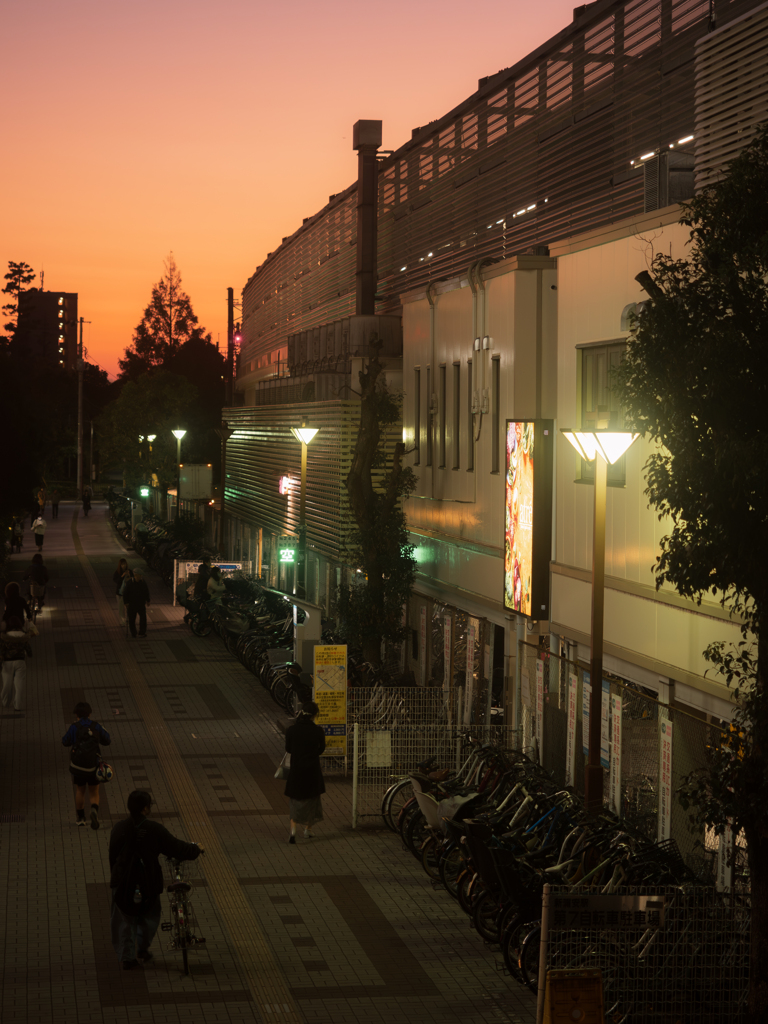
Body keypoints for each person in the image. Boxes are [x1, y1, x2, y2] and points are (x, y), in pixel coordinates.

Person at [109, 790, 204, 970]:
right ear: (145, 808)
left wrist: (117, 877)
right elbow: (177, 849)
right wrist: (196, 849)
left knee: (123, 921)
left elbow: (112, 857)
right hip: (147, 884)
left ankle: (126, 958)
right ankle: (142, 948)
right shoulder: (154, 830)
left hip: (121, 884)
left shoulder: (119, 828)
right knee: (150, 916)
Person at [61, 701, 111, 829]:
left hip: (78, 766)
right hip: (93, 765)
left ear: (76, 715)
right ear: (89, 714)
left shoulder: (74, 727)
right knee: (94, 792)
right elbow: (107, 740)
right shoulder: (96, 726)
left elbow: (65, 742)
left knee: (80, 790)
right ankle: (94, 811)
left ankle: (81, 818)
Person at [284, 700, 326, 843]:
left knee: (295, 800)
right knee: (312, 799)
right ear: (314, 715)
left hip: (296, 769)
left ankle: (293, 829)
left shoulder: (292, 730)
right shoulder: (317, 731)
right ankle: (308, 829)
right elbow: (321, 749)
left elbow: (288, 749)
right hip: (312, 770)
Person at [1, 616, 33, 713]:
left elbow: (2, 651)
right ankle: (18, 706)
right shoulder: (23, 636)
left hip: (7, 663)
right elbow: (29, 652)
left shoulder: (4, 637)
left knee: (7, 684)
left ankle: (5, 702)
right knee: (19, 685)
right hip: (20, 662)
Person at [124, 569, 151, 638]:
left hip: (141, 604)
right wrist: (126, 602)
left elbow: (146, 591)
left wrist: (148, 600)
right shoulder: (130, 582)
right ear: (135, 575)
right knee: (132, 619)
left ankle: (142, 632)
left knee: (143, 618)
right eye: (139, 576)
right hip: (132, 604)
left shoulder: (142, 582)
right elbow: (125, 593)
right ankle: (133, 633)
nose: (140, 577)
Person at [113, 558, 131, 625]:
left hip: (128, 593)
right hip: (120, 593)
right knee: (121, 608)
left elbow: (132, 580)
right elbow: (116, 581)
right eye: (122, 564)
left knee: (129, 607)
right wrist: (122, 576)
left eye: (124, 564)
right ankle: (122, 621)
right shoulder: (117, 572)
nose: (123, 565)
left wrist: (129, 576)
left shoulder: (129, 571)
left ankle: (128, 619)